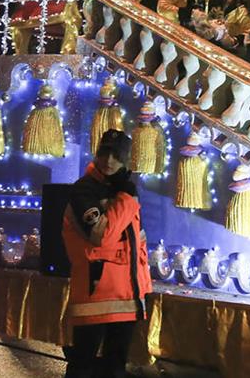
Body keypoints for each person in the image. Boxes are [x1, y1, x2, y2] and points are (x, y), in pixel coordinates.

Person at [62, 130, 150, 378]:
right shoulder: (85, 190)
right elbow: (101, 237)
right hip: (95, 296)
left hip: (126, 295)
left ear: (126, 159)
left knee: (115, 369)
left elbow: (137, 244)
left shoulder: (124, 190)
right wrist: (125, 198)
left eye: (116, 155)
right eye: (104, 153)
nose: (109, 161)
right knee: (82, 368)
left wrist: (142, 288)